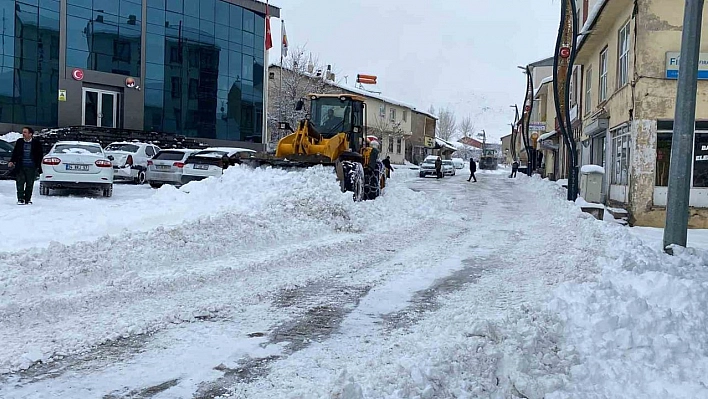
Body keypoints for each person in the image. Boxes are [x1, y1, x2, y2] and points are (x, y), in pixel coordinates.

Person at [8, 127, 43, 205]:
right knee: (20, 183)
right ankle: (20, 199)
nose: (23, 134)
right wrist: (12, 161)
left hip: (31, 166)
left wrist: (38, 165)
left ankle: (28, 199)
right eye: (23, 132)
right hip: (21, 166)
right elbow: (15, 152)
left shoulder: (36, 143)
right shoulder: (20, 142)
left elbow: (40, 155)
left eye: (25, 132)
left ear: (30, 134)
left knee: (29, 183)